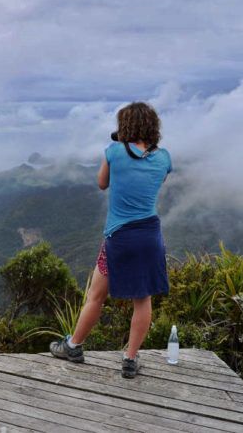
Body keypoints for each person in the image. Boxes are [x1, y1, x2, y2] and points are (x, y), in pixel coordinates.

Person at [50, 101, 172, 379]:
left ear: (123, 126)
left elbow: (102, 183)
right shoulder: (164, 158)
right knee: (143, 301)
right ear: (154, 127)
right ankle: (130, 359)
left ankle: (74, 346)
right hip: (150, 237)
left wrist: (120, 146)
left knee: (96, 295)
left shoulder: (114, 152)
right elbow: (155, 181)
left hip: (119, 238)